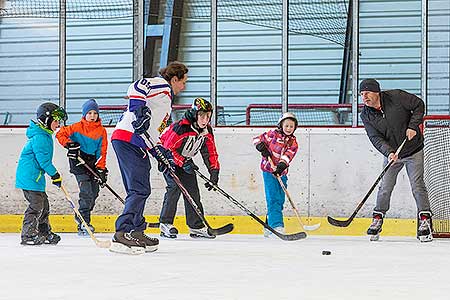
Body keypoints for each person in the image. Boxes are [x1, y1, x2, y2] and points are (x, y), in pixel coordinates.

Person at [110, 61, 188, 254]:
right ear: (174, 78)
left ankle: (136, 231)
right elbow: (136, 86)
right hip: (129, 139)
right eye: (183, 82)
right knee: (139, 189)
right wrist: (139, 110)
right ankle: (122, 233)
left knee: (140, 188)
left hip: (137, 143)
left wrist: (162, 155)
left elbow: (152, 134)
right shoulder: (161, 85)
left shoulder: (166, 102)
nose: (184, 86)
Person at [359, 78, 433, 242]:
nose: (364, 97)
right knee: (385, 187)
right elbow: (375, 138)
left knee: (417, 185)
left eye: (367, 93)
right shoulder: (366, 115)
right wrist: (389, 152)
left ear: (376, 91)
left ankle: (425, 220)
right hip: (393, 154)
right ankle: (378, 218)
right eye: (362, 94)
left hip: (413, 150)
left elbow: (419, 105)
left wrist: (413, 126)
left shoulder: (397, 97)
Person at [158, 97, 220, 239]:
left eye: (208, 116)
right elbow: (166, 149)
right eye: (202, 116)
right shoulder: (181, 128)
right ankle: (165, 224)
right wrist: (182, 162)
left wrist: (214, 172)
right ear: (194, 114)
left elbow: (210, 152)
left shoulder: (206, 131)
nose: (205, 120)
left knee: (192, 192)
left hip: (185, 161)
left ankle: (196, 226)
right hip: (167, 159)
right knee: (174, 188)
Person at [16, 102, 67, 245]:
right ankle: (28, 235)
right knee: (36, 206)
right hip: (30, 178)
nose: (58, 124)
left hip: (35, 178)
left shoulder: (44, 135)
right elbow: (44, 162)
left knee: (44, 205)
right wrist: (55, 175)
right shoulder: (40, 138)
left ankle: (43, 231)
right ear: (46, 120)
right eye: (56, 120)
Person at [56, 99, 108, 236]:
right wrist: (69, 145)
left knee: (94, 192)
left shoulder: (101, 131)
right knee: (86, 192)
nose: (92, 116)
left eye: (95, 113)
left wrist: (101, 169)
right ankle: (84, 222)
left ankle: (82, 216)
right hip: (78, 162)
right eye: (89, 113)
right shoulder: (76, 127)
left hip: (91, 163)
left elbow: (102, 151)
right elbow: (60, 134)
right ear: (84, 114)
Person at [253, 112, 299, 237]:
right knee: (273, 198)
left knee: (280, 199)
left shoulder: (293, 143)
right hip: (269, 171)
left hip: (281, 173)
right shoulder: (272, 134)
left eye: (291, 126)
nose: (289, 128)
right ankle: (276, 226)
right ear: (281, 125)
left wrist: (281, 166)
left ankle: (268, 227)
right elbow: (256, 139)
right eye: (287, 125)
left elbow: (288, 156)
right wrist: (261, 147)